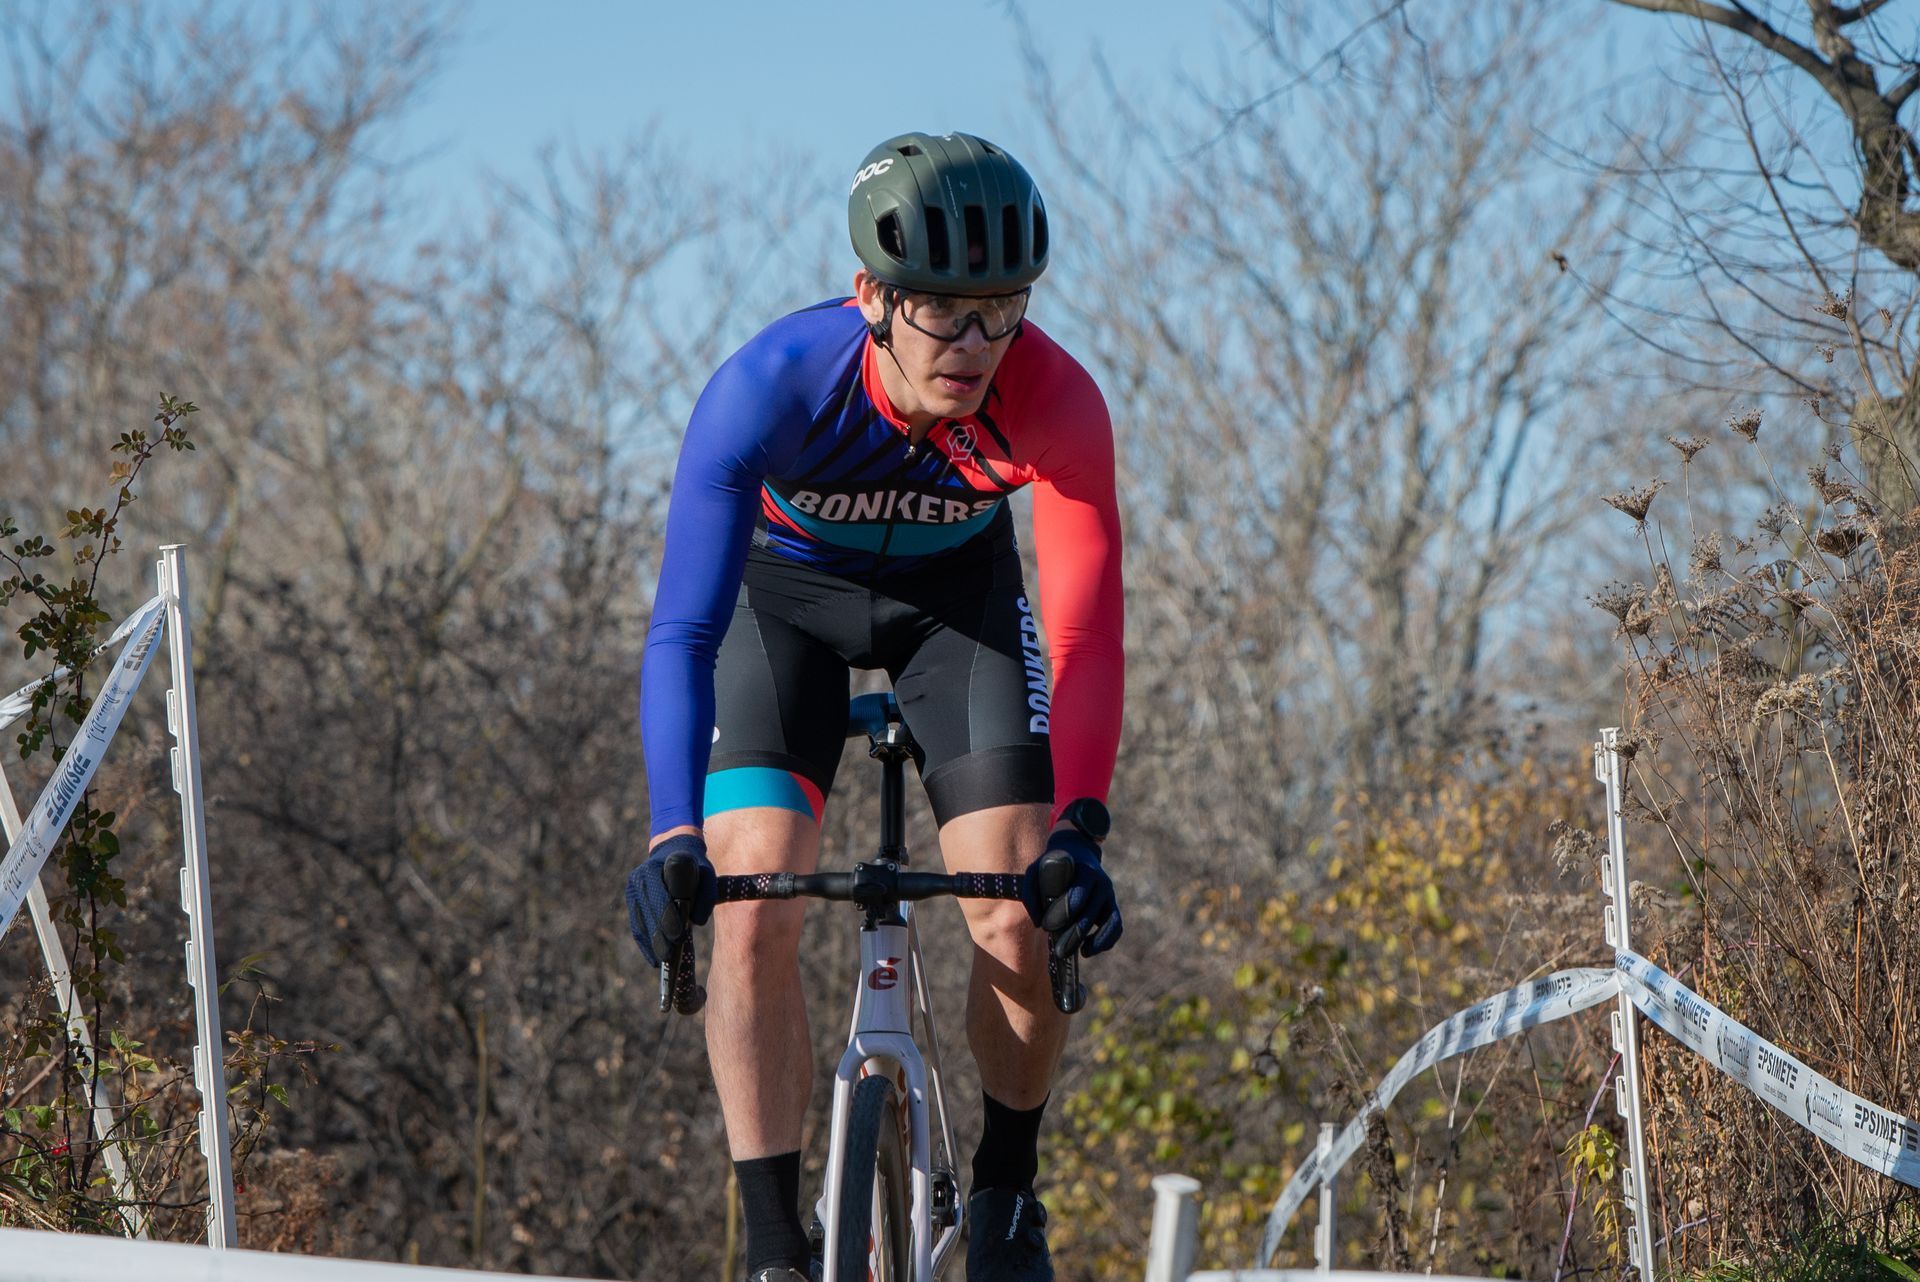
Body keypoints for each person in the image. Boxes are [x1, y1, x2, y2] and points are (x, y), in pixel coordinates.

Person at [626, 130, 1125, 1282]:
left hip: (957, 607)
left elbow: (1087, 631)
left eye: (1003, 310)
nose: (977, 346)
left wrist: (1080, 830)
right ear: (871, 297)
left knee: (1013, 903)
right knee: (752, 902)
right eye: (945, 314)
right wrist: (670, 835)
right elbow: (683, 631)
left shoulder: (1057, 401)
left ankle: (1003, 1196)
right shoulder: (768, 388)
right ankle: (769, 1241)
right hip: (785, 604)